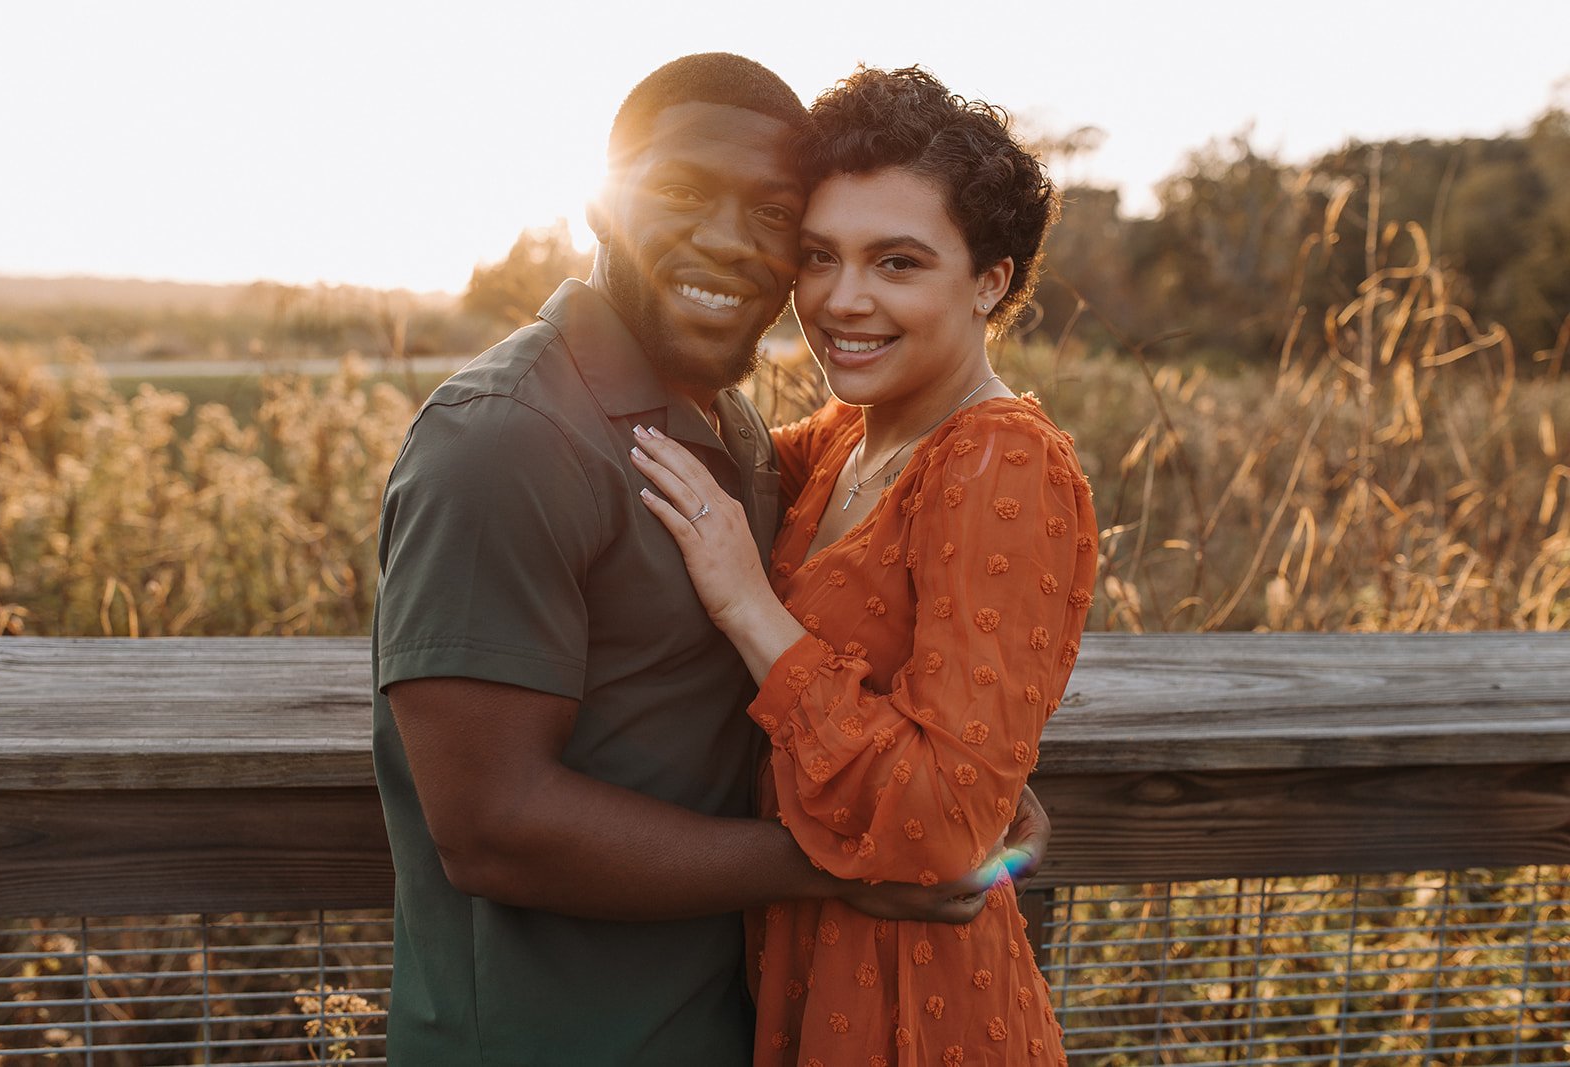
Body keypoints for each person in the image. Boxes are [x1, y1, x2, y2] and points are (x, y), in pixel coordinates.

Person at [371, 54, 1050, 1066]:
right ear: (603, 206)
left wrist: (974, 793)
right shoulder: (504, 438)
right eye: (682, 195)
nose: (728, 242)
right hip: (543, 1039)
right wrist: (834, 866)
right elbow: (491, 824)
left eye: (774, 216)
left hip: (731, 1022)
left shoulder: (735, 432)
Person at [631, 66, 1098, 1065]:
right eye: (818, 257)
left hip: (920, 1009)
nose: (842, 301)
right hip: (805, 974)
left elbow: (943, 827)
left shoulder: (1000, 459)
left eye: (896, 263)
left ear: (990, 279)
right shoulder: (847, 435)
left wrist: (750, 609)